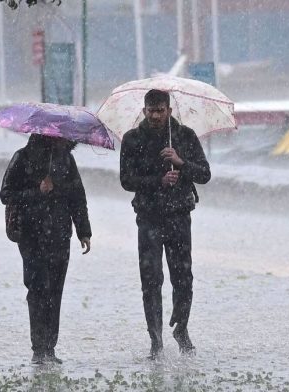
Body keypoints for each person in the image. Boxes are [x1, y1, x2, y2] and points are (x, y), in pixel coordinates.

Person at [119, 89, 211, 359]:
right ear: (144, 110)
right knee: (151, 279)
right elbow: (126, 180)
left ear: (169, 110)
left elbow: (205, 174)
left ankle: (181, 327)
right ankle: (155, 338)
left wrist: (180, 163)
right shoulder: (132, 139)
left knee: (183, 277)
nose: (156, 115)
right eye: (151, 110)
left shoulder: (185, 136)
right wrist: (158, 180)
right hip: (148, 217)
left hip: (179, 215)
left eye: (161, 110)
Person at [0, 134, 92, 365]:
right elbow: (6, 194)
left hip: (60, 234)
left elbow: (77, 197)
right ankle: (39, 348)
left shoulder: (67, 161)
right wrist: (37, 191)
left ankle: (50, 348)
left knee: (55, 291)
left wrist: (84, 231)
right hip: (31, 235)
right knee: (38, 288)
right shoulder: (22, 157)